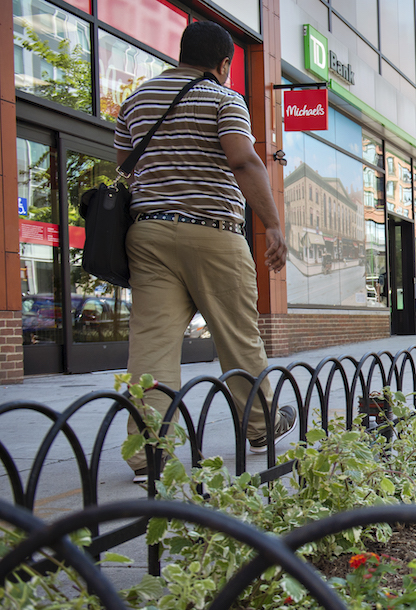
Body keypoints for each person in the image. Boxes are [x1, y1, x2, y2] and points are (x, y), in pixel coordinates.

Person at [115, 21, 295, 482]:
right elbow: (242, 159)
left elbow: (124, 168)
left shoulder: (136, 100)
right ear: (225, 64)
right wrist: (272, 225)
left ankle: (149, 453)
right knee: (237, 336)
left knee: (152, 345)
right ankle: (260, 427)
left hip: (150, 234)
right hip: (214, 232)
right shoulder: (223, 98)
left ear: (180, 53)